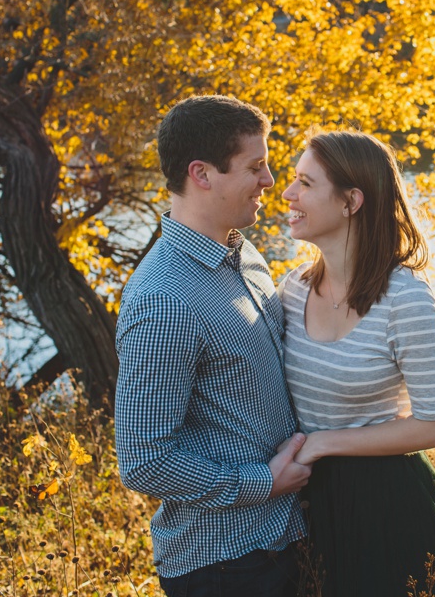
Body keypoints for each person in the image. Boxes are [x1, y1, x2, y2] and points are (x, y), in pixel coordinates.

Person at [114, 95, 311, 597]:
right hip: (226, 565)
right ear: (202, 174)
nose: (270, 181)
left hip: (285, 540)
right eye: (256, 166)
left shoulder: (244, 257)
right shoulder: (164, 299)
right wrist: (262, 483)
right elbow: (143, 458)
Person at [278, 130, 435, 597]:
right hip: (305, 502)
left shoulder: (406, 299)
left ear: (350, 201)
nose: (288, 194)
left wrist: (323, 444)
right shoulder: (292, 288)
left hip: (387, 505)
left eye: (305, 182)